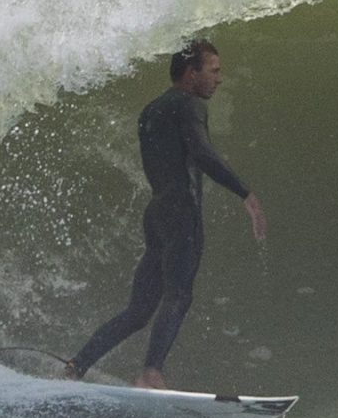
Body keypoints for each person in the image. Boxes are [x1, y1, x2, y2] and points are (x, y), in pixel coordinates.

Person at [65, 39, 266, 389]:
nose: (219, 79)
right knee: (178, 294)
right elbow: (202, 154)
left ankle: (76, 366)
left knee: (138, 311)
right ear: (192, 73)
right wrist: (245, 193)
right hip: (182, 212)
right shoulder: (189, 104)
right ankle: (151, 372)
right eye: (214, 71)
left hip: (157, 212)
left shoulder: (151, 110)